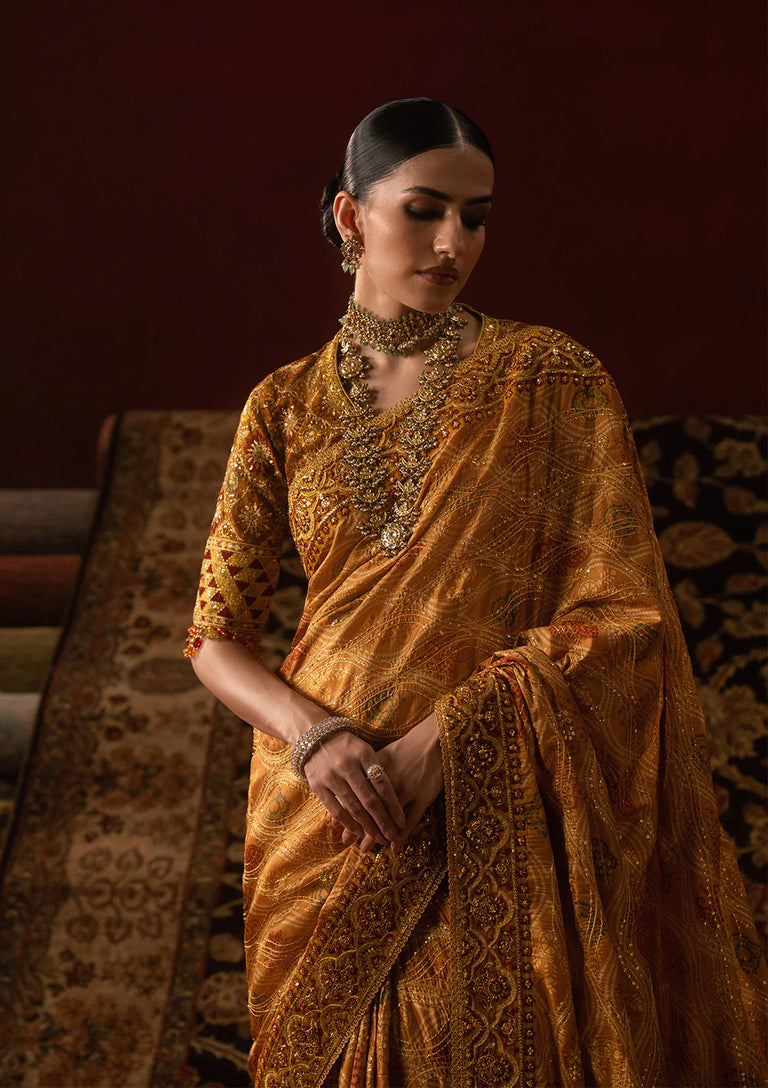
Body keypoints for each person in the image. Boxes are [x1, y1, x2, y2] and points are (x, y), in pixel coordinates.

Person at [185, 98, 766, 1088]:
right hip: (320, 807)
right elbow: (215, 635)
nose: (455, 241)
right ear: (348, 215)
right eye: (425, 208)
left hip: (500, 785)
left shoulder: (553, 379)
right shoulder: (282, 403)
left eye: (478, 215)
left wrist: (453, 733)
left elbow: (622, 613)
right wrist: (318, 739)